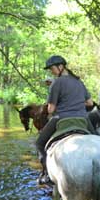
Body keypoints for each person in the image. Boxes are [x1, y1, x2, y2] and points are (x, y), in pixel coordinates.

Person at [36, 55, 93, 185]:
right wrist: (76, 104)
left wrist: (63, 105)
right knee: (99, 139)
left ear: (60, 67)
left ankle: (46, 174)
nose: (52, 72)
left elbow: (50, 110)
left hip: (61, 117)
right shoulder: (79, 82)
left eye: (52, 69)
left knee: (39, 143)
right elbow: (89, 103)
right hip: (82, 118)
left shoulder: (57, 82)